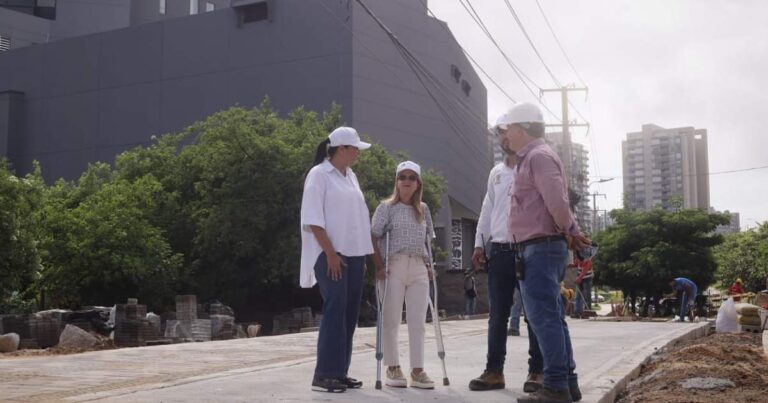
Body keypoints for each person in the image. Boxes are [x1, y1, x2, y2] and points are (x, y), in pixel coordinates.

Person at [501, 102, 591, 403]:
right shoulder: (534, 157)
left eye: (509, 129)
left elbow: (557, 202)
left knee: (544, 319)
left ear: (522, 129)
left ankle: (555, 386)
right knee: (551, 317)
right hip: (540, 247)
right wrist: (571, 231)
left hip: (540, 248)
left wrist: (571, 230)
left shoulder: (538, 157)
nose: (506, 135)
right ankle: (565, 382)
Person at [468, 116, 544, 395]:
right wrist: (479, 244)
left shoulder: (534, 165)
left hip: (528, 248)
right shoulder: (496, 173)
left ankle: (537, 371)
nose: (504, 138)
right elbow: (488, 209)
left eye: (507, 132)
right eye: (499, 134)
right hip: (499, 249)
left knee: (533, 314)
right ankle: (494, 371)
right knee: (497, 315)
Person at [300, 127, 374, 393]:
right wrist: (330, 253)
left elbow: (357, 218)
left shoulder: (350, 176)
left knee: (350, 312)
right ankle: (324, 375)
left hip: (354, 254)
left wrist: (363, 255)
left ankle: (340, 372)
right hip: (330, 253)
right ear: (341, 149)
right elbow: (312, 219)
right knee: (335, 308)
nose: (358, 154)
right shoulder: (319, 175)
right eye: (355, 149)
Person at [371, 160, 436, 390]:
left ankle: (417, 370)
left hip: (418, 265)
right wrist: (379, 266)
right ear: (397, 182)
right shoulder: (386, 207)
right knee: (391, 319)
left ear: (418, 183)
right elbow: (373, 237)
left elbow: (428, 240)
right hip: (394, 265)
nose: (407, 181)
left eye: (411, 178)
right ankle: (393, 366)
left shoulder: (423, 209)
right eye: (402, 177)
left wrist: (429, 265)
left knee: (418, 321)